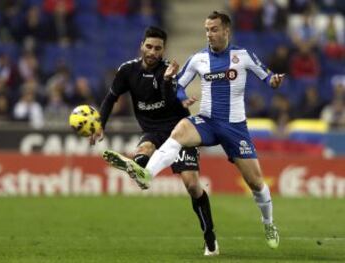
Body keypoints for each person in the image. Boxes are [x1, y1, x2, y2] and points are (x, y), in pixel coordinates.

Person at [105, 11, 284, 250]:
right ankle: (147, 174)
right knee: (179, 131)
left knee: (256, 183)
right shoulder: (199, 58)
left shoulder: (243, 56)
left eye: (214, 29)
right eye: (207, 30)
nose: (209, 34)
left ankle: (268, 222)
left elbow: (268, 76)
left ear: (226, 31)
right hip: (207, 121)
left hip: (234, 128)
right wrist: (177, 90)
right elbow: (179, 84)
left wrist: (274, 81)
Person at [90, 26, 219, 256]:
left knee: (191, 185)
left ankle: (209, 234)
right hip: (151, 131)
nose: (152, 52)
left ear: (163, 50)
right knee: (145, 147)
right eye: (149, 46)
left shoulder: (167, 71)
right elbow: (111, 98)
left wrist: (174, 89)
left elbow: (174, 96)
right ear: (142, 45)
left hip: (179, 132)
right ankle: (139, 168)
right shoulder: (127, 71)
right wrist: (100, 124)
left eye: (157, 48)